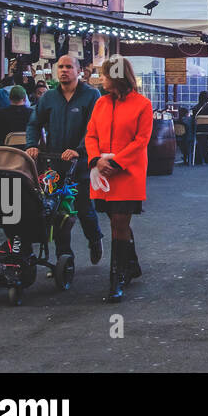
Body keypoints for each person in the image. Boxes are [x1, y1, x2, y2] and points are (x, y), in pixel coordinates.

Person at [83, 56, 152, 303]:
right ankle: (131, 264)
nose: (100, 79)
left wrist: (116, 162)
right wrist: (96, 160)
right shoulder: (100, 104)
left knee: (119, 223)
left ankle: (116, 278)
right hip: (103, 173)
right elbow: (90, 135)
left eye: (103, 75)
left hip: (128, 173)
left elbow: (141, 140)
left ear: (116, 76)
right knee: (116, 222)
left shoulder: (142, 105)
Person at [26, 56, 104, 265]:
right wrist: (32, 144)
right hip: (54, 165)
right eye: (60, 67)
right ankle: (63, 257)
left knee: (84, 209)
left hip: (81, 164)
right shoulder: (48, 97)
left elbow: (93, 128)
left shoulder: (91, 95)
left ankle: (95, 239)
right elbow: (34, 124)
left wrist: (79, 150)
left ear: (78, 71)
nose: (64, 71)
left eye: (69, 67)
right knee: (58, 213)